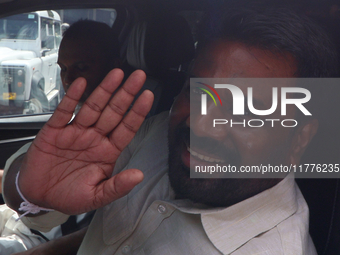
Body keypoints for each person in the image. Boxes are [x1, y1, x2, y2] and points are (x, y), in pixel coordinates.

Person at [2, 7, 338, 254]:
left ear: (300, 139)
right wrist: (27, 188)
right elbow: (110, 232)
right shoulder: (157, 132)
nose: (201, 124)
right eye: (199, 91)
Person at [0, 19, 120, 255]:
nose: (67, 78)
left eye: (82, 67)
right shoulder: (77, 115)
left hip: (36, 240)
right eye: (63, 68)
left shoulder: (121, 134)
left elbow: (102, 226)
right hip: (13, 220)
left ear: (113, 66)